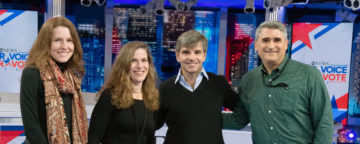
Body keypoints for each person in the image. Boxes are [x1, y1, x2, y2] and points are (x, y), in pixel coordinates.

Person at [223, 21, 334, 144]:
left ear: (286, 44)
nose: (271, 46)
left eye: (277, 40)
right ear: (256, 45)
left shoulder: (309, 75)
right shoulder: (249, 79)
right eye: (265, 40)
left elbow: (324, 124)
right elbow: (239, 120)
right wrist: (202, 117)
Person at [156, 30, 239, 144]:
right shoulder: (165, 88)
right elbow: (152, 124)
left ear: (204, 56)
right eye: (186, 52)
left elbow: (244, 109)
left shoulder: (219, 83)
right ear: (177, 55)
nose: (191, 57)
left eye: (197, 52)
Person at [20, 16, 88, 144]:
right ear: (46, 43)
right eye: (57, 40)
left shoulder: (72, 77)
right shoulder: (32, 73)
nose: (64, 46)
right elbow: (31, 127)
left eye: (69, 40)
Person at [88, 41, 159, 144]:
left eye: (144, 60)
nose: (140, 66)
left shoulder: (151, 99)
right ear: (124, 65)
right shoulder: (110, 96)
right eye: (133, 60)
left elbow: (150, 139)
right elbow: (93, 139)